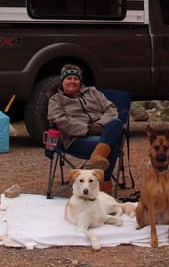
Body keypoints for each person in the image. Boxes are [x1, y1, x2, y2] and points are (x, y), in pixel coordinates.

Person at [47, 64, 123, 193]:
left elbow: (111, 109)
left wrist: (100, 125)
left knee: (116, 122)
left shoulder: (93, 92)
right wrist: (87, 129)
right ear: (62, 81)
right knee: (113, 146)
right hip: (75, 139)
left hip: (101, 133)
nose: (72, 81)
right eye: (69, 78)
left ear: (80, 81)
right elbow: (60, 120)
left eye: (75, 78)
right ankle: (103, 189)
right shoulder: (56, 100)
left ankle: (97, 158)